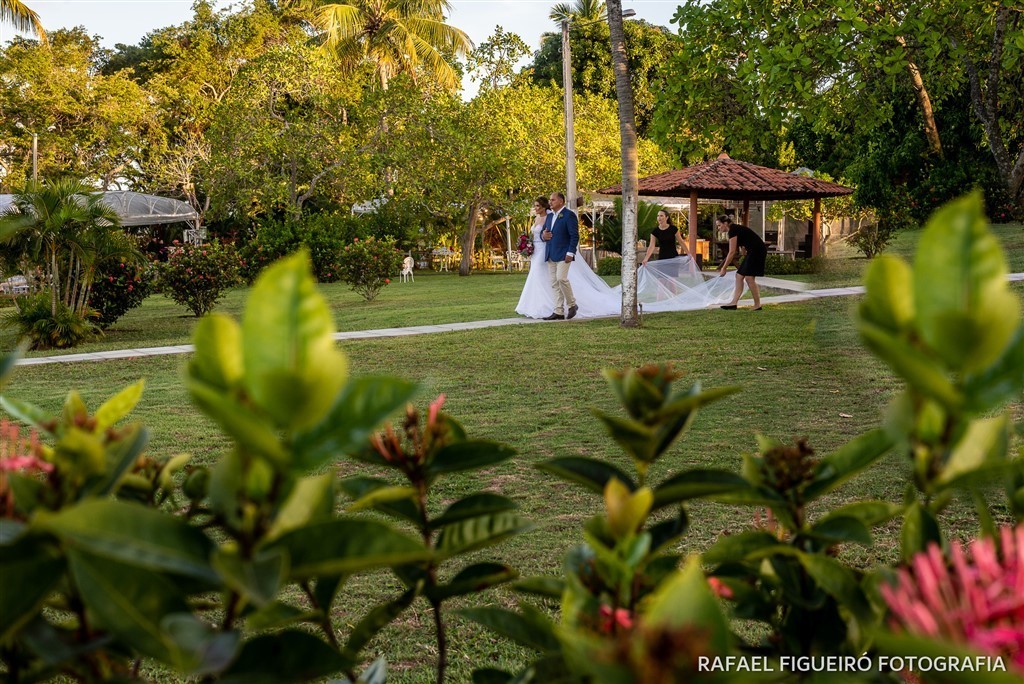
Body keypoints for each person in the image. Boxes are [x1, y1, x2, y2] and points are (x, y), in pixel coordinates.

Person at [541, 191, 579, 320]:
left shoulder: (569, 215)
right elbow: (543, 232)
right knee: (554, 283)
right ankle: (558, 311)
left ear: (561, 201)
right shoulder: (550, 216)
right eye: (550, 200)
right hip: (551, 253)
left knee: (561, 278)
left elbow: (574, 236)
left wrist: (570, 252)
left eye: (553, 200)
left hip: (564, 253)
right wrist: (543, 235)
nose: (550, 202)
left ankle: (572, 305)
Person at [717, 214, 767, 311]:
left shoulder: (733, 230)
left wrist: (723, 268)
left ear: (725, 223)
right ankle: (733, 303)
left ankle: (757, 305)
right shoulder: (735, 229)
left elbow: (731, 252)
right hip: (753, 251)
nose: (718, 228)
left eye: (719, 225)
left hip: (757, 251)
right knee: (739, 276)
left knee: (749, 278)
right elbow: (744, 240)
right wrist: (744, 251)